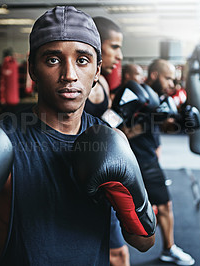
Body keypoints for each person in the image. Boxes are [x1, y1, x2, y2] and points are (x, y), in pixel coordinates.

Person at [0, 6, 156, 265]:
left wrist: (136, 206)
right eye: (52, 59)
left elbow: (144, 242)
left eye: (82, 60)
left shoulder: (110, 142)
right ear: (32, 69)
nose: (69, 75)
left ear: (97, 70)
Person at [119, 60, 195, 266]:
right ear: (154, 75)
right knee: (126, 211)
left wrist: (182, 123)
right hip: (133, 161)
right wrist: (148, 121)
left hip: (149, 158)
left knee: (164, 205)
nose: (173, 83)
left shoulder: (160, 99)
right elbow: (119, 132)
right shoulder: (133, 94)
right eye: (168, 78)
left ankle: (169, 248)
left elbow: (165, 125)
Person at [83, 17, 130, 266]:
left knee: (114, 251)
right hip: (82, 173)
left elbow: (109, 119)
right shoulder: (77, 83)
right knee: (116, 253)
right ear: (98, 44)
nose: (119, 55)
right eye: (115, 47)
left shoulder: (101, 80)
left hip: (104, 171)